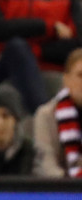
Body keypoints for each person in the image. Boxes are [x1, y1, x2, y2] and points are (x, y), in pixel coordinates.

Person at [33, 47, 82, 178]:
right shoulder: (45, 115)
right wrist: (70, 188)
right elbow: (46, 164)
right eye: (80, 75)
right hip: (61, 191)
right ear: (66, 80)